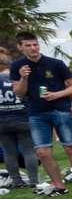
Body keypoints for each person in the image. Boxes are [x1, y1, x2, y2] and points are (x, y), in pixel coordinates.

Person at [10, 31, 72, 195]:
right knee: (43, 152)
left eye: (35, 44)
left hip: (61, 110)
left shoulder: (55, 63)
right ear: (20, 47)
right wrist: (24, 78)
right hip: (36, 113)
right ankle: (60, 186)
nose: (33, 48)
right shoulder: (17, 66)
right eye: (28, 45)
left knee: (70, 148)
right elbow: (19, 93)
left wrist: (57, 95)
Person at [0, 49, 39, 188]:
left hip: (2, 120)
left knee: (9, 153)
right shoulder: (17, 78)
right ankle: (34, 180)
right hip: (22, 117)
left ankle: (17, 181)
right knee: (29, 151)